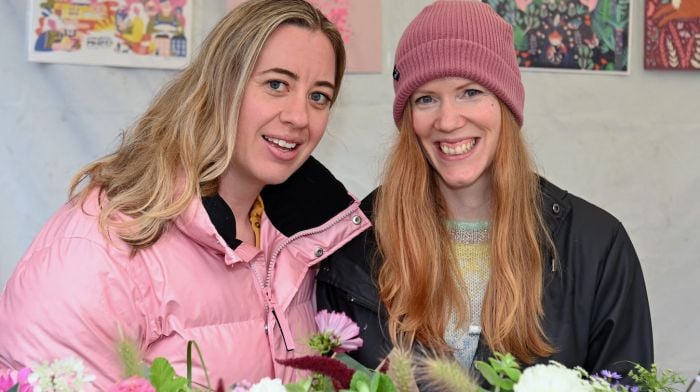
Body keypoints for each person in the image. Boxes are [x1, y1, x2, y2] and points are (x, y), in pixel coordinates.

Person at [0, 0, 370, 389]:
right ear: (219, 85)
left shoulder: (314, 237)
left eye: (319, 97)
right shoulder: (98, 249)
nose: (299, 117)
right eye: (277, 84)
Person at [317, 0, 653, 381]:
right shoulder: (356, 245)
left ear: (505, 104)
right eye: (426, 98)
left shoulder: (596, 247)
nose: (447, 120)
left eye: (470, 91)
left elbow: (628, 383)